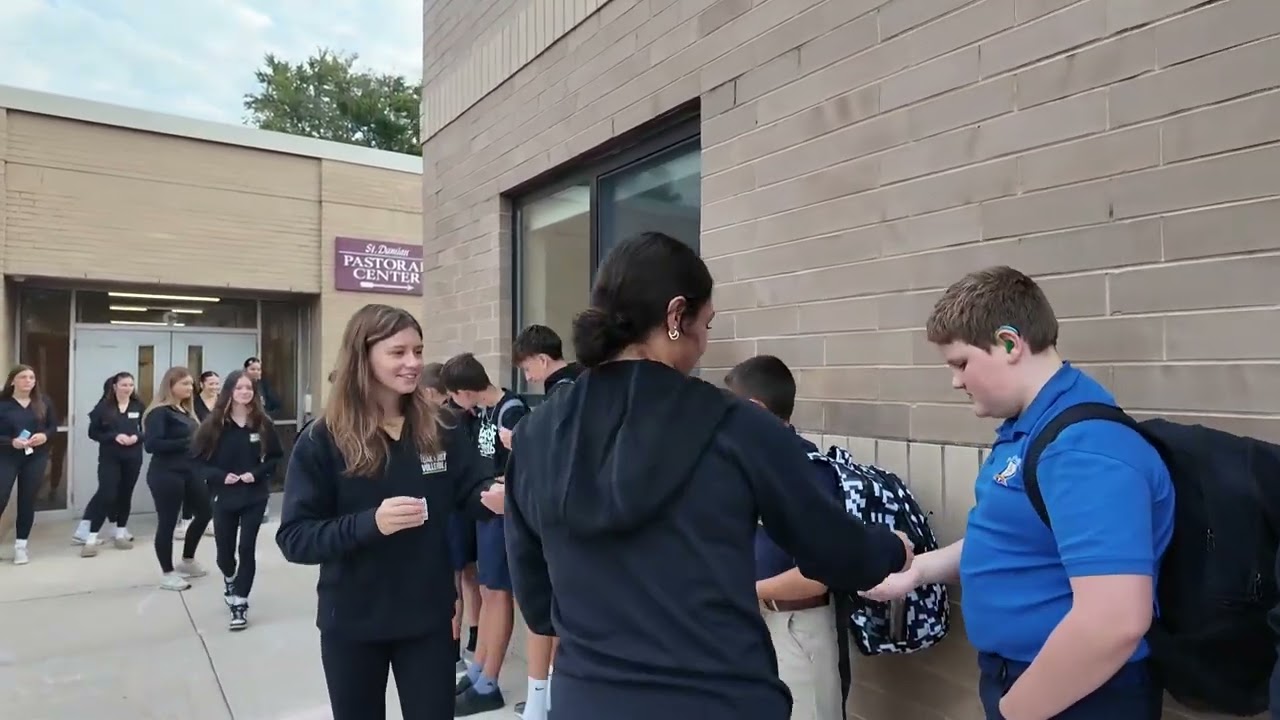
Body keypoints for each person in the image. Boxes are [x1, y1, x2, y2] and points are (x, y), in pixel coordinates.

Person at [502, 231, 913, 720]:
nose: (705, 343)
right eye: (707, 323)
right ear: (676, 316)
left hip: (591, 699)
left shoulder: (534, 436)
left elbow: (536, 598)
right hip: (718, 698)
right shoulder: (738, 426)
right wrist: (892, 547)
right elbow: (833, 552)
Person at [861, 266, 1175, 720]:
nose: (955, 381)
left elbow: (1114, 623)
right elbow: (1018, 541)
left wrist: (1016, 711)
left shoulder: (1085, 447)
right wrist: (918, 571)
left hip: (1080, 696)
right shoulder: (1029, 428)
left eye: (961, 363)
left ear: (1009, 344)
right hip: (1026, 680)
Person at [275, 303, 500, 720]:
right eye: (398, 353)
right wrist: (370, 524)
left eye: (417, 350)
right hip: (354, 624)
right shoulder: (323, 440)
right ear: (364, 356)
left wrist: (492, 496)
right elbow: (295, 537)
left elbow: (469, 490)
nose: (413, 363)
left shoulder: (442, 427)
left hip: (429, 620)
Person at [726, 354, 848, 720]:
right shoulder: (751, 467)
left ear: (754, 408)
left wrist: (744, 592)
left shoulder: (807, 471)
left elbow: (821, 574)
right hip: (756, 625)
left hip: (797, 630)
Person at [441, 352, 531, 716]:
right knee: (486, 588)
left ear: (466, 390)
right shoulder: (482, 413)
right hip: (485, 507)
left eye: (454, 394)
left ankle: (489, 681)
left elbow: (524, 465)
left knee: (498, 593)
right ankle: (479, 669)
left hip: (503, 510)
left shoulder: (511, 410)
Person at [508, 323, 582, 720]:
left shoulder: (566, 391)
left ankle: (549, 700)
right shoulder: (580, 386)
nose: (527, 377)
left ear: (541, 358)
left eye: (526, 368)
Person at [191, 369, 282, 631]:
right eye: (239, 388)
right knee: (225, 554)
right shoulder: (214, 425)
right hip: (224, 495)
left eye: (249, 388)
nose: (244, 392)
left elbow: (276, 457)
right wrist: (220, 476)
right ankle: (230, 578)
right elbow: (197, 462)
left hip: (254, 495)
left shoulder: (262, 424)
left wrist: (256, 474)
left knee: (246, 548)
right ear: (229, 391)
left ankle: (240, 602)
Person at [423, 361, 482, 675]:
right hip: (468, 506)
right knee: (469, 576)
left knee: (455, 579)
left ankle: (455, 649)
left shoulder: (442, 422)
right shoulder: (462, 416)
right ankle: (473, 640)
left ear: (430, 392)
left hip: (452, 511)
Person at [143, 366, 211, 591]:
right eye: (184, 384)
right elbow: (152, 445)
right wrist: (187, 443)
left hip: (191, 471)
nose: (190, 388)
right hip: (166, 474)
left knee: (205, 512)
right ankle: (167, 573)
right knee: (168, 522)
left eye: (191, 384)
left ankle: (187, 560)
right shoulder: (159, 413)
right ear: (170, 385)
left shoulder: (185, 411)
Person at [77, 372, 146, 557]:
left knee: (125, 494)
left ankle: (120, 532)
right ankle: (91, 538)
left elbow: (146, 430)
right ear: (114, 386)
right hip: (110, 457)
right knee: (108, 494)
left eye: (131, 385)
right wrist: (114, 436)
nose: (128, 388)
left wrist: (137, 437)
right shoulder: (103, 408)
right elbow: (94, 433)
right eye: (124, 385)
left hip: (133, 457)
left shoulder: (138, 406)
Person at [0, 364, 59, 566]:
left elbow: (53, 426)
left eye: (32, 378)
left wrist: (44, 435)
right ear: (13, 381)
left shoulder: (43, 402)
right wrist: (10, 441)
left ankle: (20, 547)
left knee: (27, 500)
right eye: (23, 377)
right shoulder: (3, 403)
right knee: (1, 496)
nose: (28, 381)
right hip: (6, 455)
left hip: (35, 456)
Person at [178, 371, 221, 541]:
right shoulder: (193, 403)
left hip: (217, 448)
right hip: (197, 448)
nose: (215, 387)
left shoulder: (222, 402)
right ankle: (186, 519)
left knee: (213, 483)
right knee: (193, 483)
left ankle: (209, 518)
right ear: (202, 384)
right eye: (211, 383)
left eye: (217, 383)